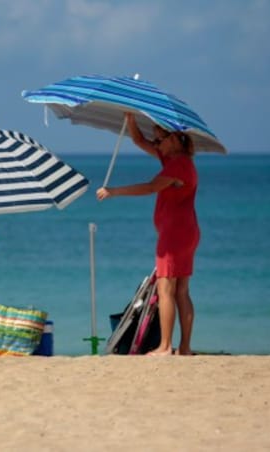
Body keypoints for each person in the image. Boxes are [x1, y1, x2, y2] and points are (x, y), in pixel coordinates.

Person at [96, 112, 200, 356]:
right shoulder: (175, 160)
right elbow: (140, 142)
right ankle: (184, 348)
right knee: (182, 290)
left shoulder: (179, 166)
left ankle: (165, 346)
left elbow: (151, 187)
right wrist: (131, 121)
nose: (156, 145)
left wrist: (113, 191)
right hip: (185, 231)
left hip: (175, 235)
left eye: (159, 140)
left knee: (166, 289)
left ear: (174, 138)